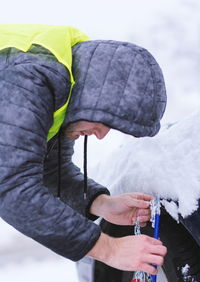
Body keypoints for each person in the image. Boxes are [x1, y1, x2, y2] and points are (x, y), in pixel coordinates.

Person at [0, 24, 167, 275]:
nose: (100, 135)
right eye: (105, 122)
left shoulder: (62, 89)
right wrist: (108, 248)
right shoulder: (28, 77)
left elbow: (50, 172)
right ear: (97, 98)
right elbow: (11, 186)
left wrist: (100, 203)